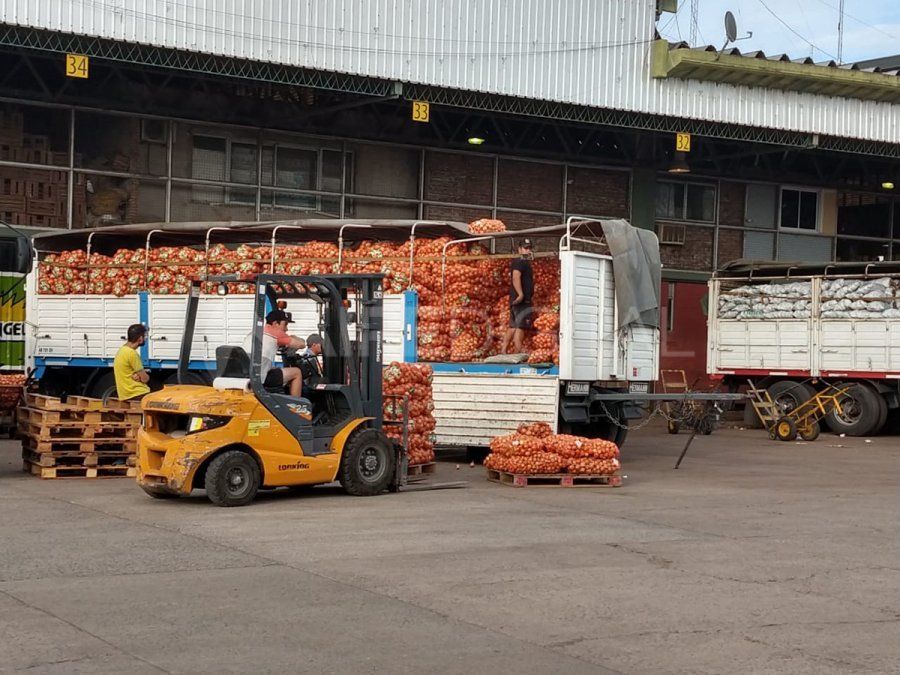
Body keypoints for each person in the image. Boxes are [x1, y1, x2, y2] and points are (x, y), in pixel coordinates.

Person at [243, 309, 306, 397]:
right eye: (285, 325)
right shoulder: (276, 333)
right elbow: (301, 344)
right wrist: (293, 336)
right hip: (260, 378)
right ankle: (296, 406)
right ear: (275, 323)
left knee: (275, 368)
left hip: (247, 373)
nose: (286, 329)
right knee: (296, 372)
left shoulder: (255, 332)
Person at [501, 238, 534, 354]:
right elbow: (516, 277)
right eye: (526, 248)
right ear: (520, 249)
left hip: (517, 300)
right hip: (521, 301)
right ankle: (517, 353)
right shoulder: (520, 261)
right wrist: (520, 294)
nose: (528, 251)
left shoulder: (522, 261)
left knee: (513, 326)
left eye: (530, 248)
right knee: (520, 327)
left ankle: (503, 351)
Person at [114, 324, 151, 401]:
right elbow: (145, 379)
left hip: (125, 395)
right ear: (140, 339)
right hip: (138, 393)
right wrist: (142, 376)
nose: (146, 338)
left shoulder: (121, 351)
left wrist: (138, 375)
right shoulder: (132, 353)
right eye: (145, 336)